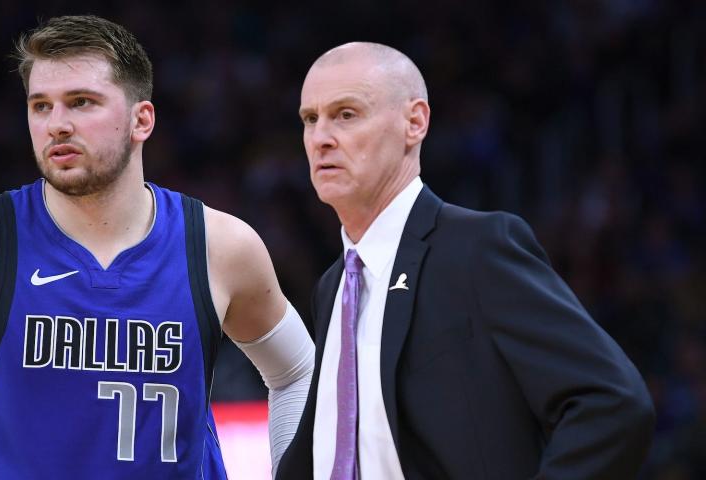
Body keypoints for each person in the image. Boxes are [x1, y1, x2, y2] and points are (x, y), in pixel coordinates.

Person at [0, 15, 314, 479]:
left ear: (142, 121)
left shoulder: (219, 246)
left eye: (81, 102)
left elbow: (297, 372)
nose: (57, 123)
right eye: (41, 105)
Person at [276, 42, 655, 479]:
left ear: (414, 122)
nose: (321, 137)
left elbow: (612, 402)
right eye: (310, 119)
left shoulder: (477, 247)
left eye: (346, 114)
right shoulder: (335, 285)